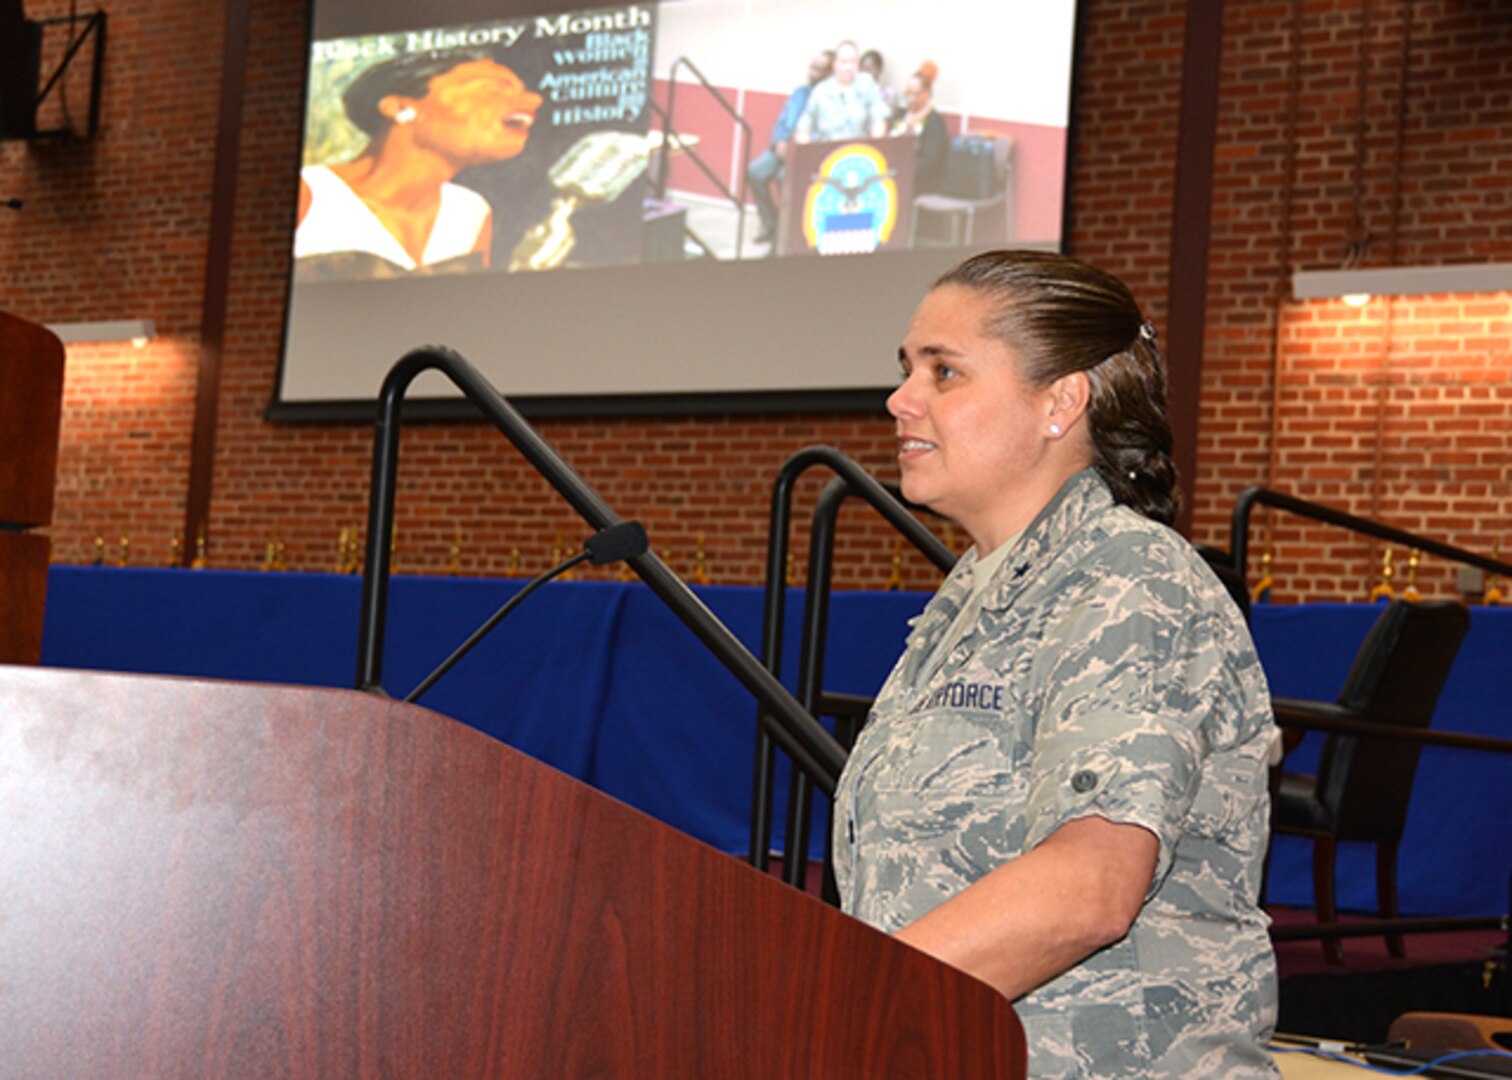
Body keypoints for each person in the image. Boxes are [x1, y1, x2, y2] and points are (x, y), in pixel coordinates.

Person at [832, 250, 1280, 1077]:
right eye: (907, 369)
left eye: (945, 371)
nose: (901, 399)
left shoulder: (1128, 582)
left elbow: (1089, 888)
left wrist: (830, 1009)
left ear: (1060, 402)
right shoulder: (975, 597)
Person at [295, 49, 543, 278]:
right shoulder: (309, 192)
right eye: (495, 89)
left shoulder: (468, 211)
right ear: (399, 106)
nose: (534, 101)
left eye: (523, 92)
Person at [746, 49, 833, 245]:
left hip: (804, 155)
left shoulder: (829, 99)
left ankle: (786, 233)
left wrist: (795, 149)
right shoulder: (799, 93)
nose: (813, 73)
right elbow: (782, 120)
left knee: (784, 177)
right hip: (782, 148)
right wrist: (779, 141)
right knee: (755, 171)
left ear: (829, 73)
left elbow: (824, 133)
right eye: (812, 68)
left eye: (819, 70)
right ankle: (770, 223)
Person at [793, 40, 890, 144]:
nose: (848, 67)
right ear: (835, 64)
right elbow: (804, 127)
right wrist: (805, 145)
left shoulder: (867, 84)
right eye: (844, 62)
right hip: (827, 152)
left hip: (859, 151)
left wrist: (876, 140)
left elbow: (879, 118)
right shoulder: (820, 91)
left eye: (852, 62)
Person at [889, 61, 948, 196]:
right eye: (907, 94)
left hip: (921, 179)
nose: (911, 99)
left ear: (927, 93)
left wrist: (905, 169)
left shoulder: (934, 121)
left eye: (915, 94)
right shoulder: (900, 114)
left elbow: (931, 159)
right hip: (895, 172)